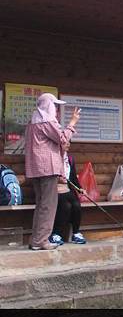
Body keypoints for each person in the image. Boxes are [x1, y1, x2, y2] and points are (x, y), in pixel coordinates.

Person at [25, 93, 81, 251]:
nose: (56, 109)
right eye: (54, 105)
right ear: (48, 106)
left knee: (41, 204)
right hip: (48, 168)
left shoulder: (32, 122)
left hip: (35, 169)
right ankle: (42, 241)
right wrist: (72, 122)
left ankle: (35, 239)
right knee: (48, 205)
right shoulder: (47, 121)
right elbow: (63, 139)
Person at [49, 141, 86, 245]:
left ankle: (76, 233)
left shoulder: (69, 159)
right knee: (66, 206)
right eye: (65, 142)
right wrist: (57, 179)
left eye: (69, 142)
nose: (68, 144)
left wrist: (79, 188)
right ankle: (56, 234)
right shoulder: (52, 157)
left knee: (76, 205)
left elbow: (73, 176)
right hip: (54, 189)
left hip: (67, 188)